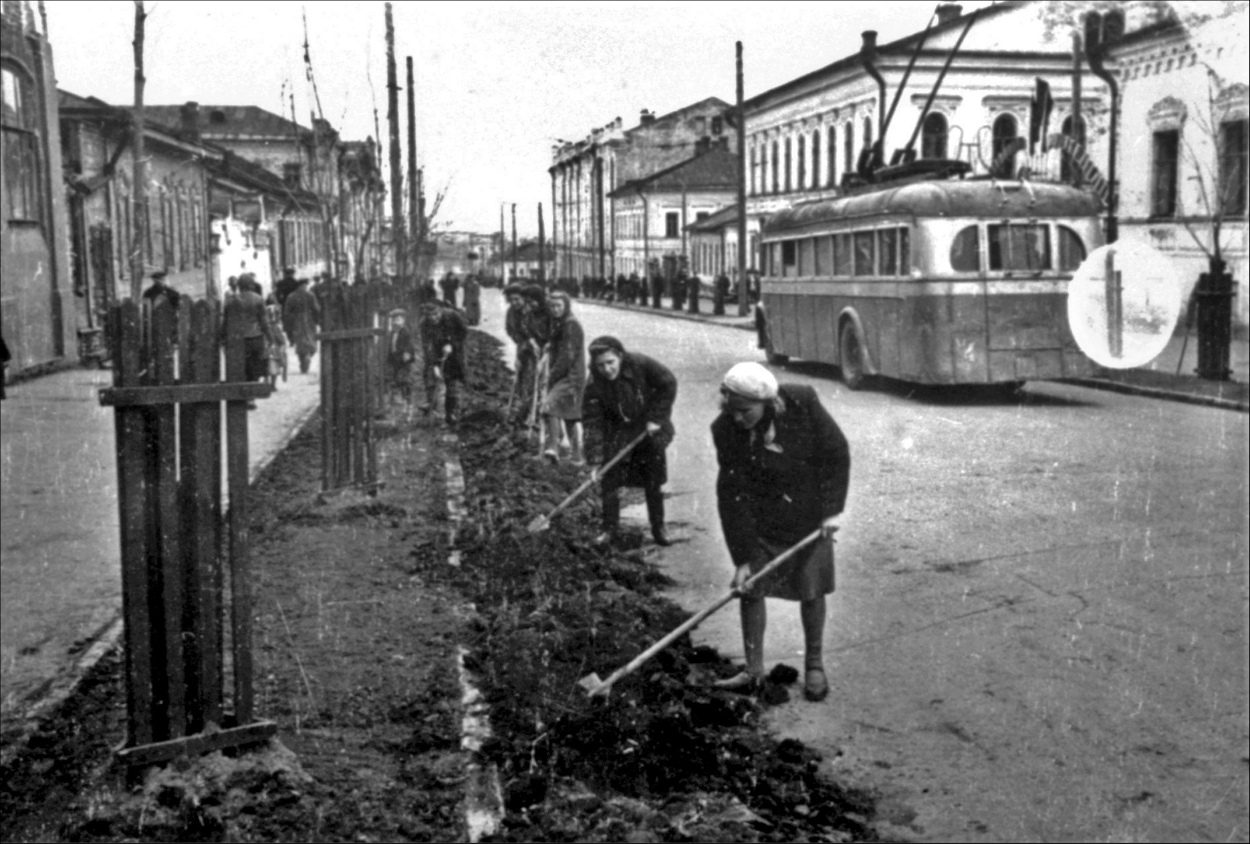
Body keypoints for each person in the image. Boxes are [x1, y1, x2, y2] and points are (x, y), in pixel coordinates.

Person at [711, 361, 850, 702]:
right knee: (750, 585)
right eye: (732, 410)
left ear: (768, 404)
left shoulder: (802, 402)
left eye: (745, 411)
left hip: (809, 513)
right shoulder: (725, 428)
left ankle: (814, 665)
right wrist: (742, 557)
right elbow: (731, 492)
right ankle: (753, 671)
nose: (738, 418)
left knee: (811, 586)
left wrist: (831, 511)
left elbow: (836, 453)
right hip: (762, 516)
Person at [582, 336, 677, 547]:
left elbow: (668, 384)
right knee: (609, 478)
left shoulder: (640, 364)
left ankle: (658, 527)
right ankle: (609, 530)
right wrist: (596, 460)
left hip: (647, 428)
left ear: (620, 357)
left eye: (610, 362)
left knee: (653, 480)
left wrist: (656, 417)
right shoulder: (594, 384)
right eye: (600, 365)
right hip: (617, 432)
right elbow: (592, 422)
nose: (606, 369)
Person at [540, 289, 585, 464]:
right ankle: (576, 457)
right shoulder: (561, 323)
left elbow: (567, 356)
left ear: (566, 306)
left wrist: (551, 376)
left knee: (549, 405)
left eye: (559, 305)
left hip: (571, 376)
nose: (555, 309)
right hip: (568, 375)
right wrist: (550, 345)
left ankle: (552, 448)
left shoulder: (571, 324)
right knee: (569, 416)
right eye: (552, 306)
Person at [226, 273, 277, 408]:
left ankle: (244, 396)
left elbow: (226, 322)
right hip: (255, 338)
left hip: (237, 340)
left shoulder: (231, 300)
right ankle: (251, 398)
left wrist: (222, 339)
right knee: (254, 369)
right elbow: (264, 321)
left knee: (241, 368)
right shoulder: (258, 299)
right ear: (251, 285)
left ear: (239, 286)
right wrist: (270, 337)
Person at [419, 299, 467, 425]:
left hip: (454, 353)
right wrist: (434, 364)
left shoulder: (452, 315)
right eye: (430, 316)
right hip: (436, 353)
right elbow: (427, 346)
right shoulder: (424, 324)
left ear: (441, 311)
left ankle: (451, 413)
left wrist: (452, 344)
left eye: (436, 314)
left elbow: (463, 332)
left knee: (452, 382)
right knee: (431, 378)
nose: (434, 318)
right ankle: (433, 410)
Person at [505, 283, 539, 425]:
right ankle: (524, 412)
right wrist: (521, 342)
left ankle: (535, 413)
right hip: (523, 348)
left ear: (524, 298)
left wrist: (534, 342)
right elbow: (510, 329)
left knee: (536, 379)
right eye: (511, 300)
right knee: (522, 377)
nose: (514, 303)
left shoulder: (533, 309)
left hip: (538, 349)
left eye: (517, 299)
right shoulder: (511, 312)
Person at [282, 278, 320, 374]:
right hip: (309, 321)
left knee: (299, 342)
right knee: (311, 340)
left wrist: (288, 323)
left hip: (296, 322)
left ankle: (303, 361)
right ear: (303, 285)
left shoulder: (291, 296)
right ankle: (308, 355)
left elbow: (286, 311)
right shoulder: (310, 295)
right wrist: (317, 320)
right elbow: (316, 309)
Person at [387, 308, 417, 405]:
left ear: (403, 321)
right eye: (394, 320)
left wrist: (407, 353)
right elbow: (391, 346)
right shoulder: (392, 332)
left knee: (405, 379)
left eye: (398, 320)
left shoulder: (405, 332)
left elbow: (409, 344)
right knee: (397, 379)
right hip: (395, 359)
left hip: (404, 359)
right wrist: (389, 357)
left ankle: (408, 400)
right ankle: (402, 398)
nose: (396, 323)